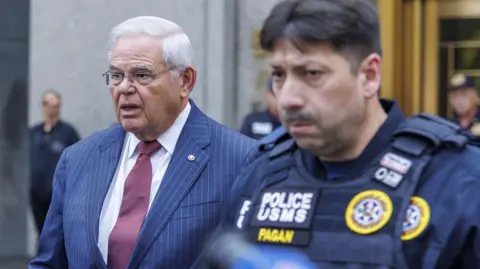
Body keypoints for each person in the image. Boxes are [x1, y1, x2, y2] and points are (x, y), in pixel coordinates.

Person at [205, 1, 480, 268]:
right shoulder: (260, 173)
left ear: (369, 76)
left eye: (311, 73)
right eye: (279, 75)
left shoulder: (457, 179)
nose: (288, 98)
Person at [29, 16, 258, 269]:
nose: (124, 88)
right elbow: (49, 263)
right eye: (116, 75)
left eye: (141, 75)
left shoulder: (242, 159)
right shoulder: (77, 159)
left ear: (185, 81)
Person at [29, 90, 80, 235]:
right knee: (41, 230)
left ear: (59, 106)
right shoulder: (34, 132)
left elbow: (77, 160)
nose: (51, 107)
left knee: (58, 232)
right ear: (42, 106)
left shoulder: (68, 132)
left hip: (58, 193)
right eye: (47, 103)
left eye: (55, 104)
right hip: (36, 192)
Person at [448, 73, 480, 144]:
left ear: (476, 97)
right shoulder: (448, 125)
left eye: (464, 95)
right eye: (454, 96)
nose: (458, 100)